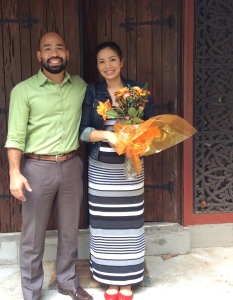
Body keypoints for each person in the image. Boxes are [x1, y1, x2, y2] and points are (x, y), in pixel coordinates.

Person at [5, 32, 93, 300]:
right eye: (47, 48)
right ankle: (31, 292)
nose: (54, 53)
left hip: (71, 165)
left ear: (67, 54)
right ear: (39, 56)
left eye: (59, 48)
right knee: (32, 236)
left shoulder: (81, 86)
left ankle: (68, 282)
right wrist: (14, 173)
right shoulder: (23, 90)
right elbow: (15, 136)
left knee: (69, 230)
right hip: (36, 168)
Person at [79, 42, 155, 300]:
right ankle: (109, 278)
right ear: (98, 66)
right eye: (101, 61)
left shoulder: (138, 91)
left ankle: (128, 279)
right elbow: (84, 132)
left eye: (112, 59)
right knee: (104, 223)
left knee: (130, 222)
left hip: (130, 168)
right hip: (102, 170)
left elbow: (152, 128)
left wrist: (136, 135)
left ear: (121, 62)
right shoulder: (93, 92)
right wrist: (109, 136)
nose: (107, 66)